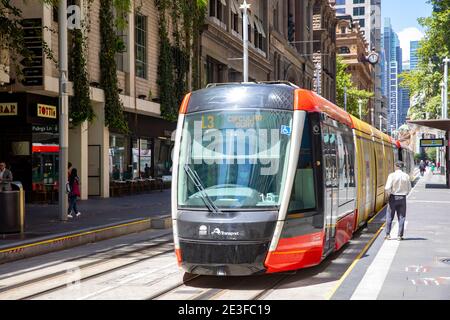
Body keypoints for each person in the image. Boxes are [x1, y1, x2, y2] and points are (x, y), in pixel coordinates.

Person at [385, 162, 412, 241]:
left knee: (389, 216)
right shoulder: (406, 176)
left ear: (396, 166)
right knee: (401, 217)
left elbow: (387, 187)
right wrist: (405, 193)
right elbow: (409, 188)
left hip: (393, 197)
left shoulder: (392, 175)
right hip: (402, 198)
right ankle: (399, 236)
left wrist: (389, 195)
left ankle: (388, 235)